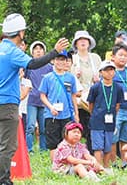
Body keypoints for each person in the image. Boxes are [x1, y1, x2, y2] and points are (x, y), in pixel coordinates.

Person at [0, 13, 69, 184]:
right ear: (21, 33)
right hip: (7, 104)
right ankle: (3, 180)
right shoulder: (11, 51)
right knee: (7, 146)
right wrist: (55, 52)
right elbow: (33, 64)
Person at [39, 50, 80, 160]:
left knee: (67, 139)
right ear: (53, 61)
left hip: (66, 114)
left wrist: (76, 113)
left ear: (67, 61)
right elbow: (42, 96)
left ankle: (66, 162)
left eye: (63, 60)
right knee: (53, 142)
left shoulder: (70, 77)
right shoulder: (47, 77)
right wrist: (51, 107)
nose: (60, 62)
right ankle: (55, 166)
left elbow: (73, 96)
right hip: (51, 115)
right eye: (58, 59)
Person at [87, 61, 124, 168]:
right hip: (97, 121)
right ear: (101, 72)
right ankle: (98, 167)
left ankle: (106, 167)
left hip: (110, 120)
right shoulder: (95, 87)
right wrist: (95, 114)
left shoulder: (118, 88)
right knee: (98, 146)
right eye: (106, 70)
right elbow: (91, 104)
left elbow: (117, 105)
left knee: (108, 146)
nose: (109, 72)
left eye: (111, 70)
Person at [71, 30, 102, 152]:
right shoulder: (72, 59)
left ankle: (92, 153)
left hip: (93, 98)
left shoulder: (95, 58)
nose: (83, 42)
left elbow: (103, 76)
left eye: (85, 39)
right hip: (77, 99)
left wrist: (97, 79)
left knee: (92, 128)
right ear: (76, 44)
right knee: (77, 129)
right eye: (80, 40)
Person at [25, 40, 54, 152]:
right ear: (32, 52)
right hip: (31, 100)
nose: (38, 51)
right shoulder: (29, 66)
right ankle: (29, 150)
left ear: (44, 52)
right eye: (36, 49)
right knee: (30, 127)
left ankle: (43, 149)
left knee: (44, 128)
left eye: (41, 49)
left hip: (45, 101)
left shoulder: (49, 67)